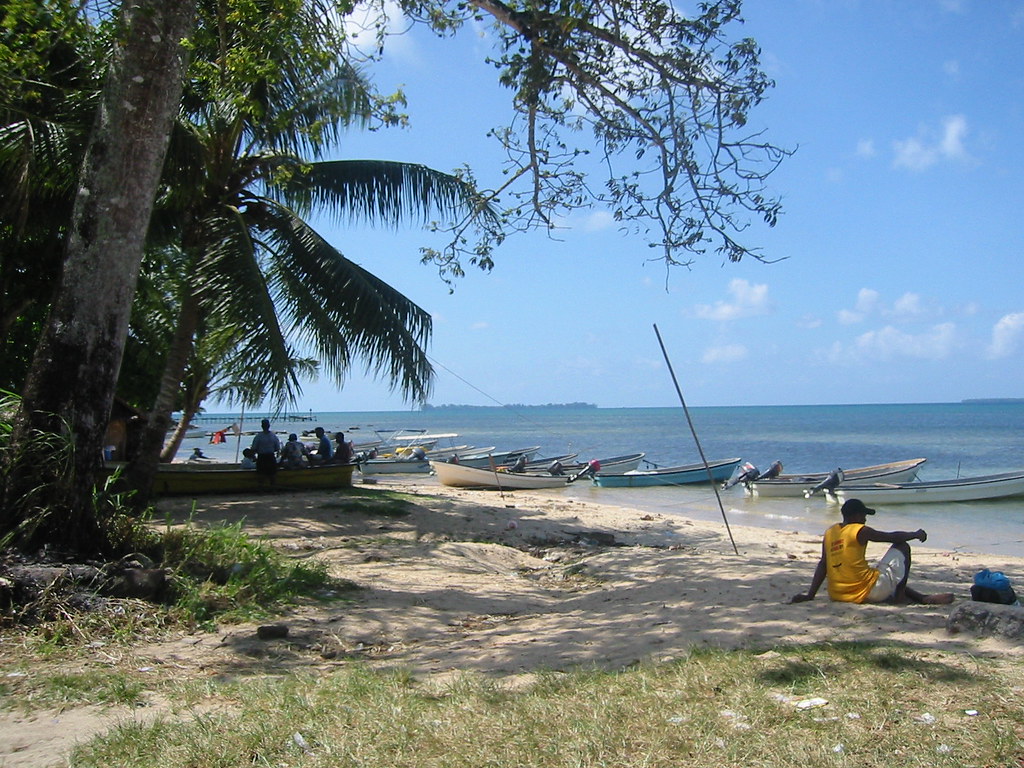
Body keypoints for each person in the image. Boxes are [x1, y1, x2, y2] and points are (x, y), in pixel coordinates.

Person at [791, 498, 954, 606]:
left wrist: (810, 595)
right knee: (902, 546)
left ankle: (921, 598)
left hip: (838, 594)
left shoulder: (830, 532)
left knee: (879, 572)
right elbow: (892, 537)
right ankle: (900, 597)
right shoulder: (860, 530)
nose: (865, 519)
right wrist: (915, 534)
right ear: (856, 515)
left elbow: (823, 565)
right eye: (863, 515)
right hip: (866, 592)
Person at [250, 419, 281, 484]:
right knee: (271, 476)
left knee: (262, 475)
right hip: (269, 457)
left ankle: (264, 488)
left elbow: (254, 449)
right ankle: (272, 488)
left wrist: (254, 458)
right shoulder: (273, 436)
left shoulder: (258, 436)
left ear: (262, 426)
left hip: (263, 457)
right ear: (269, 425)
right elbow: (277, 448)